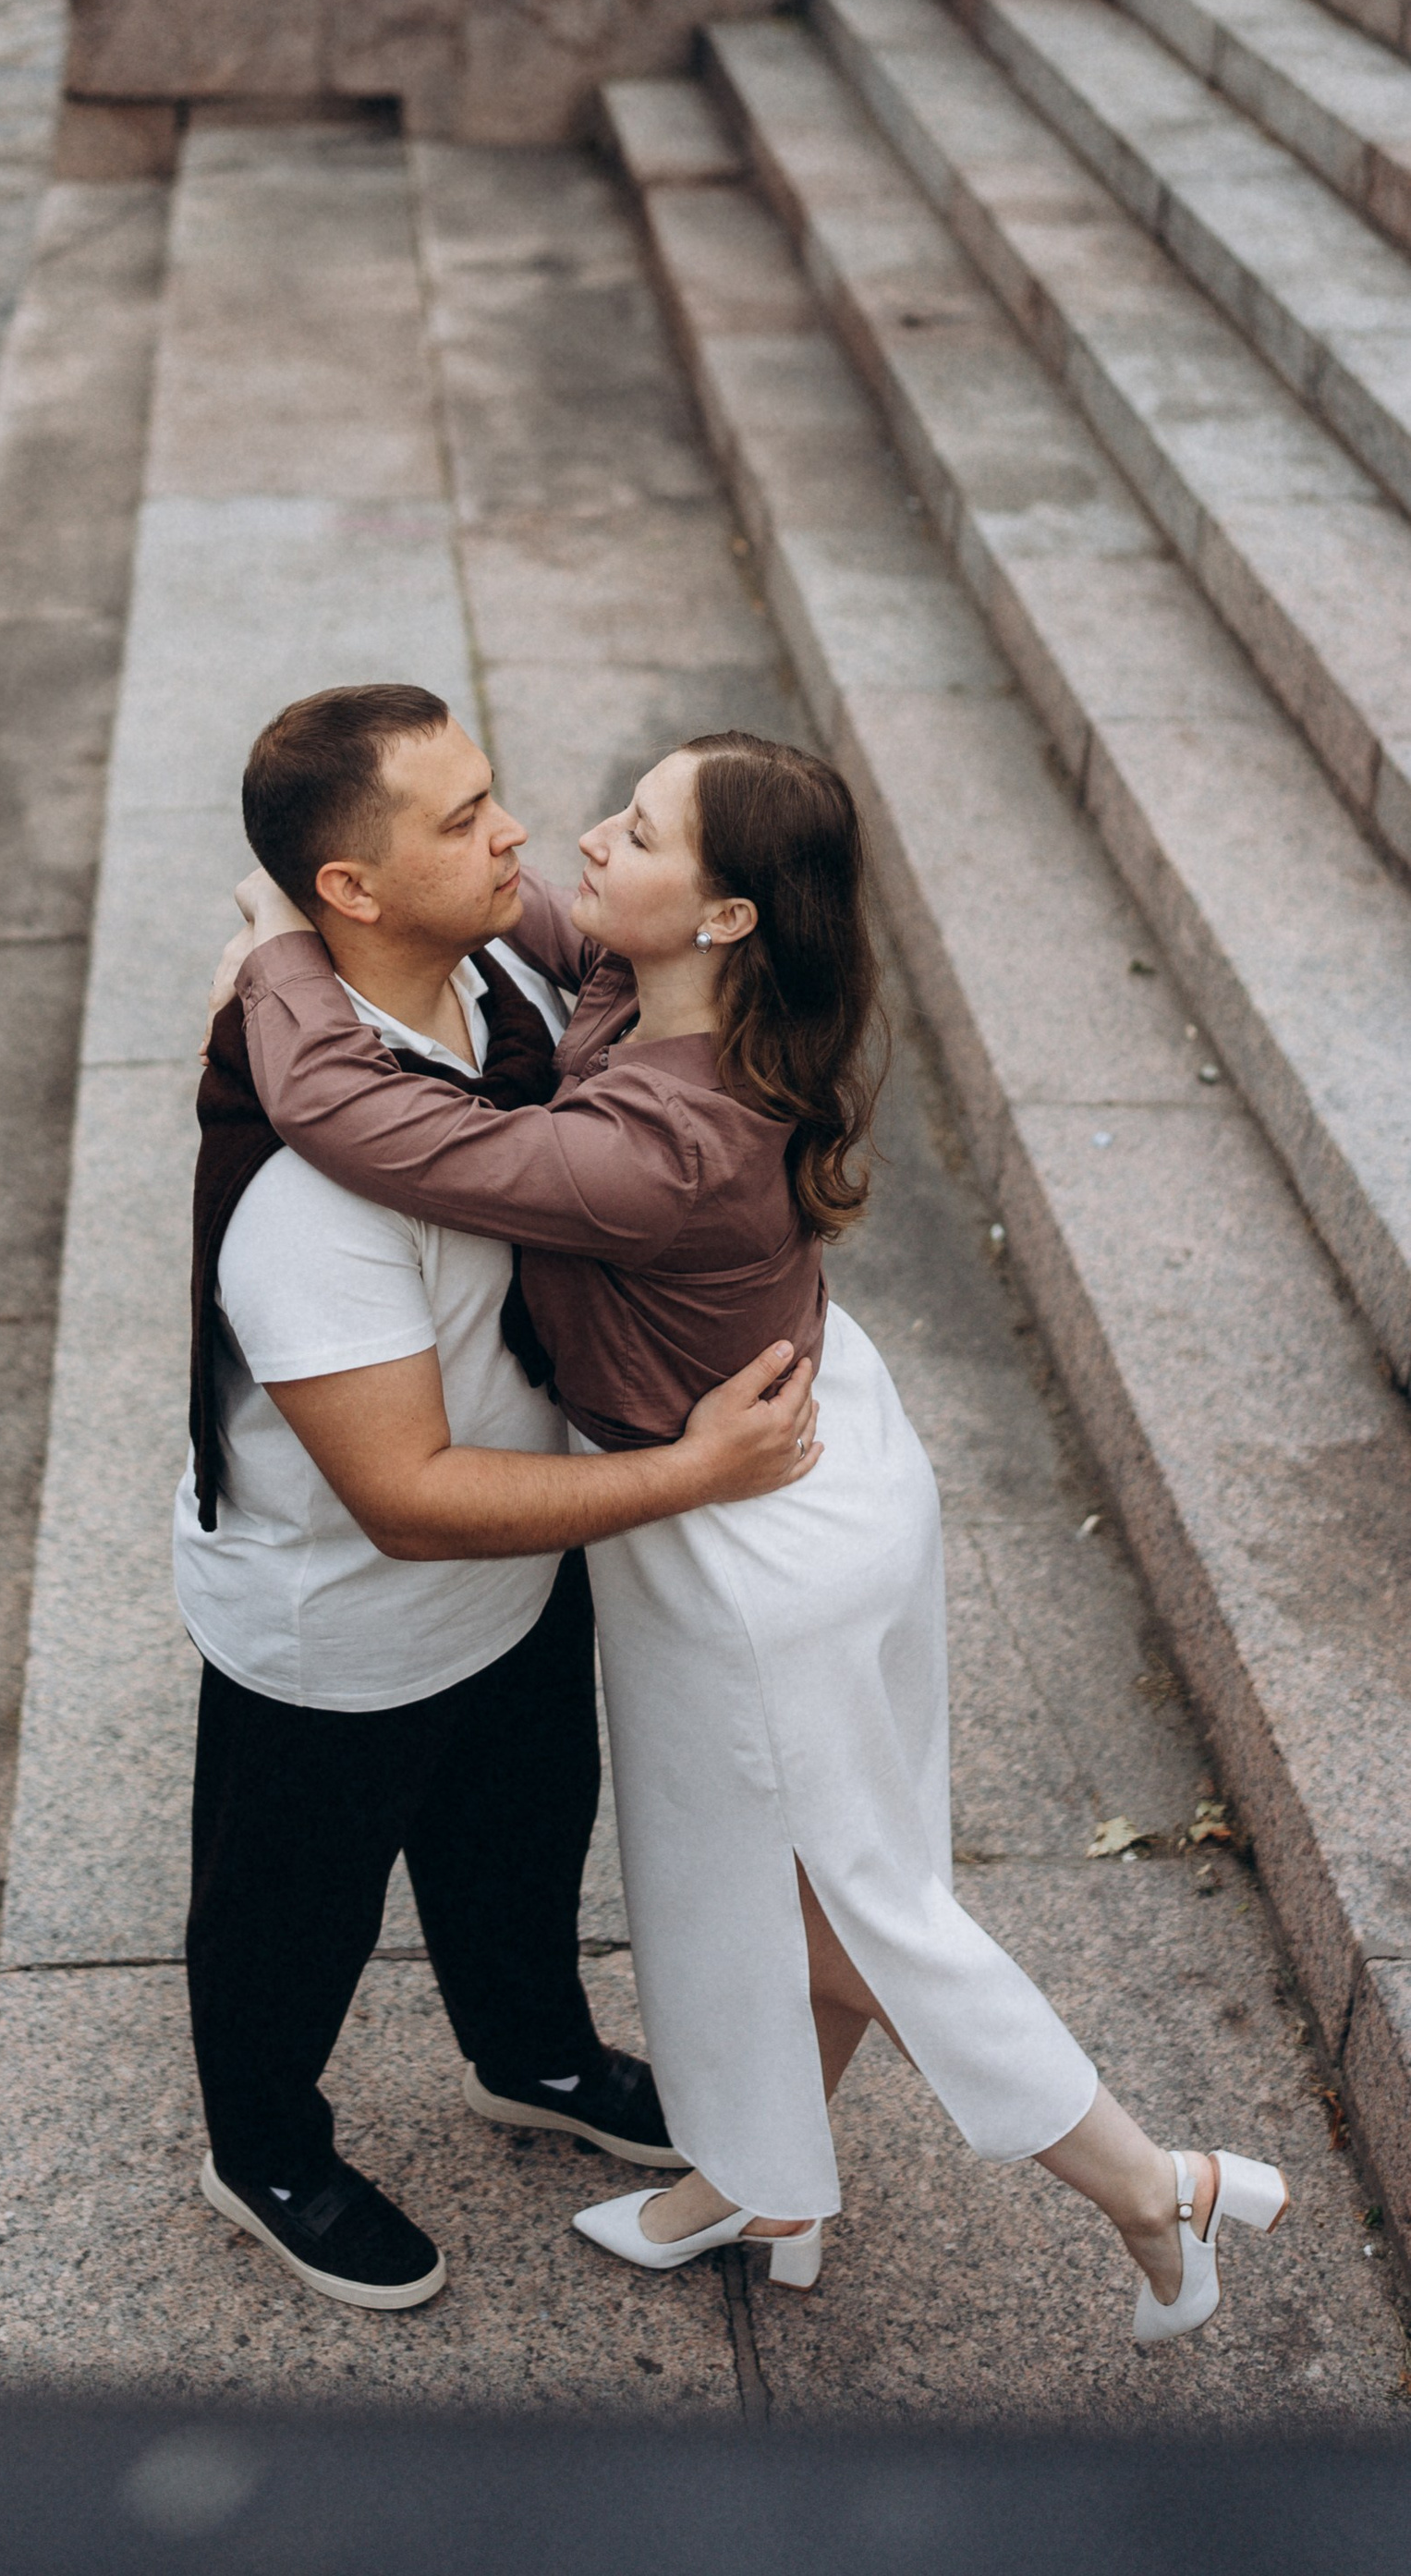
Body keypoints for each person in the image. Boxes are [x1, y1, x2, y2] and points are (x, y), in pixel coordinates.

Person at [220, 709, 1289, 2350]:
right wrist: (370, 896)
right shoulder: (659, 987)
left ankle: (1156, 2188)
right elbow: (537, 918)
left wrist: (290, 941)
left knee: (851, 1908)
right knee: (773, 1884)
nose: (568, 843)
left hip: (747, 1533)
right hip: (794, 1462)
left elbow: (344, 1114)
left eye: (634, 835)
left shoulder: (655, 1147)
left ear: (723, 915)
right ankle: (765, 2182)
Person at [181, 685, 821, 2314]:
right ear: (354, 891)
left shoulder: (515, 969)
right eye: (463, 820)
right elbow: (400, 1494)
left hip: (527, 1562)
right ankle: (262, 2150)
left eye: (495, 797)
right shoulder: (308, 1198)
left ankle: (527, 2054)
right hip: (352, 1619)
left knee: (521, 1843)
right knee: (288, 1919)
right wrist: (690, 1476)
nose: (517, 833)